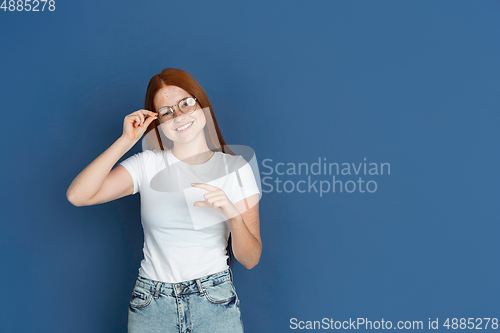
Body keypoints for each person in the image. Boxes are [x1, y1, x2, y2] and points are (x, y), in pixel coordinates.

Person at [66, 68, 261, 333]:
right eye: (167, 112)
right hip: (152, 305)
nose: (179, 116)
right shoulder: (147, 165)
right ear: (158, 121)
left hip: (214, 302)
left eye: (185, 104)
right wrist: (126, 141)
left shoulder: (236, 168)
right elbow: (78, 196)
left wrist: (233, 216)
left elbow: (250, 259)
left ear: (201, 104)